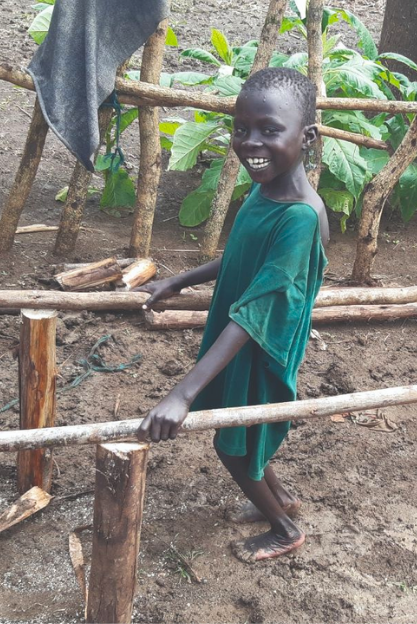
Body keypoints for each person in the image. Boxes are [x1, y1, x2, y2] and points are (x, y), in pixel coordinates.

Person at [135, 67, 328, 563]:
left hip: (259, 342)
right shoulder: (269, 190)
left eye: (268, 130)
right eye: (241, 129)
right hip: (237, 333)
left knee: (232, 444)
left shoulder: (300, 216)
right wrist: (179, 280)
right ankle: (280, 499)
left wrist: (182, 392)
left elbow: (259, 308)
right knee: (245, 433)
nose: (250, 143)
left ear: (307, 137)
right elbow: (243, 254)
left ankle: (284, 529)